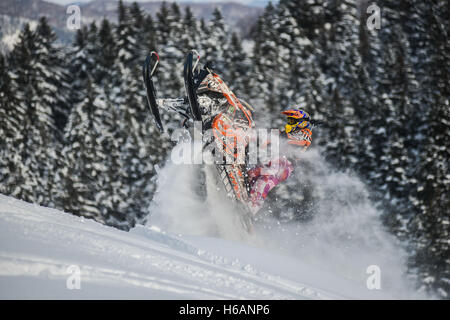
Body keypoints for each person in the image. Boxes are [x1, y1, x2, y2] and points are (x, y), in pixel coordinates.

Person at [247, 108, 313, 214]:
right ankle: (242, 192)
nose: (289, 123)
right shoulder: (287, 133)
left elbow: (288, 139)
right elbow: (271, 136)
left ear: (302, 123)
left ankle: (253, 206)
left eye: (292, 121)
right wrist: (252, 136)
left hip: (284, 166)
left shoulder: (305, 134)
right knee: (251, 175)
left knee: (264, 181)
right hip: (273, 161)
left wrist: (271, 136)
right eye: (289, 120)